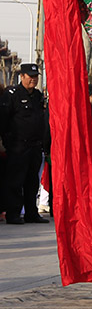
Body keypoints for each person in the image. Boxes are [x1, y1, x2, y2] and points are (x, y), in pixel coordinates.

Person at [0, 63, 49, 224]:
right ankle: (13, 214)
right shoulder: (12, 94)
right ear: (22, 77)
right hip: (18, 145)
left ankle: (31, 213)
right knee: (15, 181)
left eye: (35, 77)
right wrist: (7, 143)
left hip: (34, 146)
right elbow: (4, 120)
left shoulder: (37, 96)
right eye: (30, 77)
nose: (33, 80)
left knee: (32, 181)